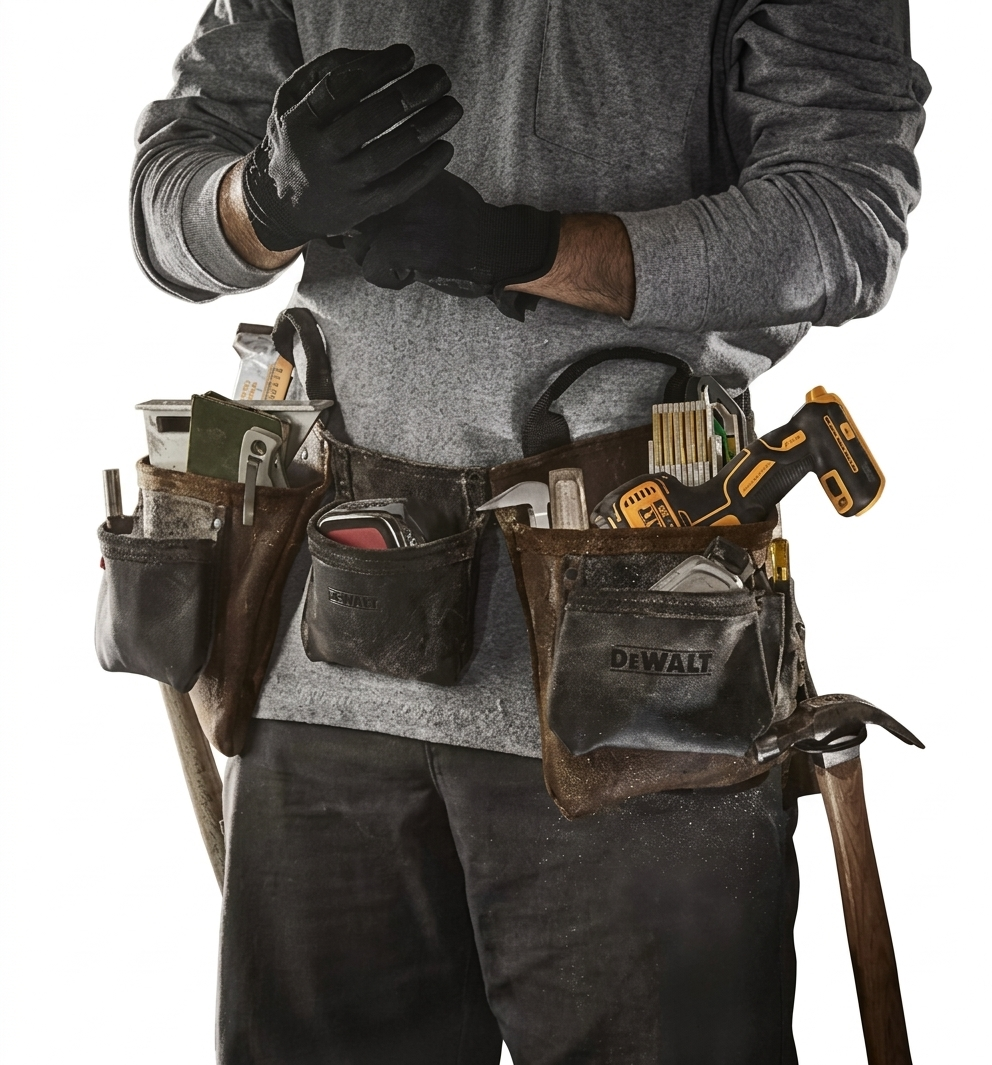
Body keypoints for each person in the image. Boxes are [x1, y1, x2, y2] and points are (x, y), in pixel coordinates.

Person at [132, 2, 929, 1062]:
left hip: (640, 677)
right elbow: (166, 204)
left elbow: (842, 218)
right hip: (319, 658)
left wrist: (528, 248)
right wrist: (261, 200)